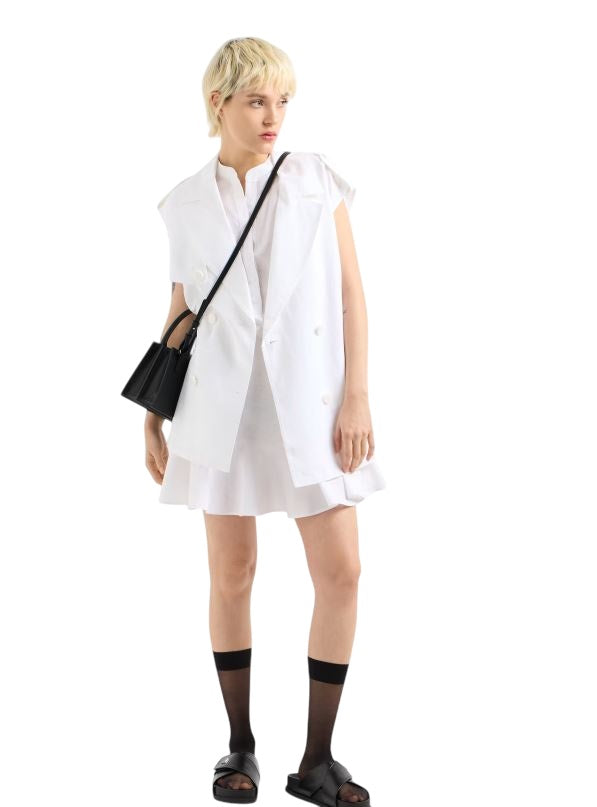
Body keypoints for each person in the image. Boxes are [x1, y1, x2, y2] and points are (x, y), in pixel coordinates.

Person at [144, 37, 384, 805]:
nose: (273, 115)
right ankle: (239, 744)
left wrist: (357, 395)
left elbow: (352, 295)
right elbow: (182, 310)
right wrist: (153, 415)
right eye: (256, 100)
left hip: (312, 402)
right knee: (232, 572)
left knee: (342, 571)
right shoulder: (185, 202)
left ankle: (318, 758)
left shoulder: (316, 178)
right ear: (219, 103)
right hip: (224, 405)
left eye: (282, 100)